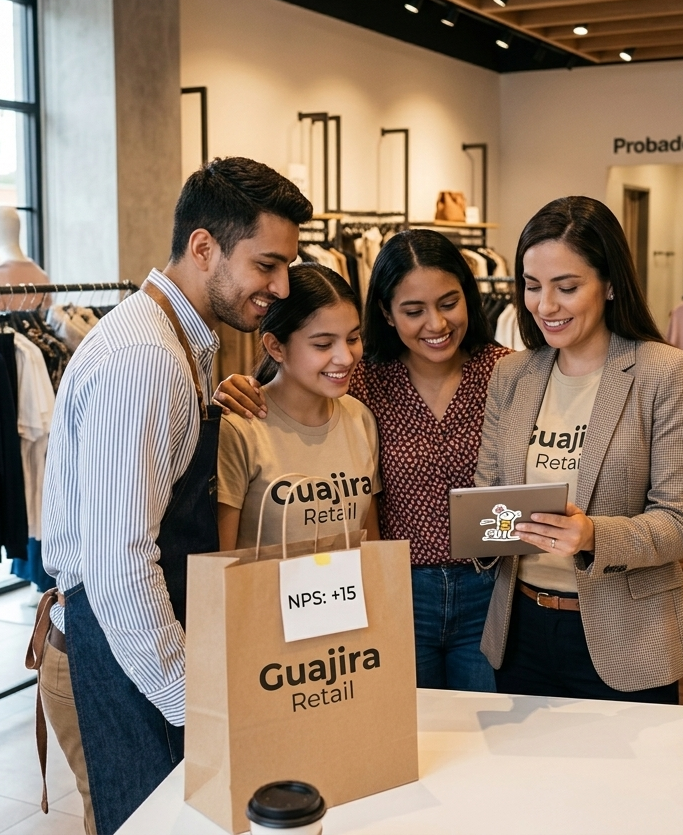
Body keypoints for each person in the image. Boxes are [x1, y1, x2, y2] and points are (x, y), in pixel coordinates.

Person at [37, 158, 311, 835]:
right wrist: (194, 702)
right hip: (123, 660)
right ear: (203, 248)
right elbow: (119, 565)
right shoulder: (145, 358)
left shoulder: (181, 341)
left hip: (139, 650)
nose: (280, 288)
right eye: (267, 265)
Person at [215, 230, 509, 691]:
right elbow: (296, 388)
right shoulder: (364, 381)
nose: (435, 323)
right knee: (403, 731)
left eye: (449, 302)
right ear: (388, 315)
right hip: (390, 590)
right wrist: (235, 388)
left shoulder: (507, 373)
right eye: (413, 311)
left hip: (486, 585)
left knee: (482, 733)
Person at [475, 196, 683, 702]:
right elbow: (488, 494)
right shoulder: (512, 374)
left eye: (567, 287)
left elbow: (679, 524)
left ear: (609, 284)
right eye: (532, 287)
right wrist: (484, 529)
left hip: (628, 636)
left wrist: (591, 535)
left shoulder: (664, 373)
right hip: (521, 632)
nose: (545, 306)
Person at [217, 263, 381, 550]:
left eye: (353, 338)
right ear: (276, 347)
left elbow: (369, 546)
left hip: (346, 594)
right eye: (322, 344)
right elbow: (222, 560)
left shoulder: (361, 418)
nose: (345, 357)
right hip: (266, 594)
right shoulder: (240, 427)